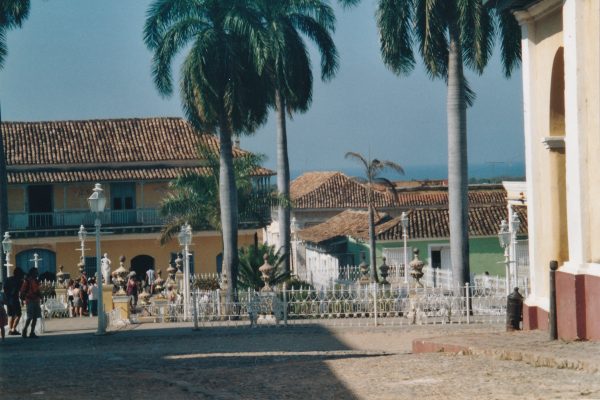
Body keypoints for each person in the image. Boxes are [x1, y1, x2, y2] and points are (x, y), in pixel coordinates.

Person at [20, 268, 42, 338]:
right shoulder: (27, 281)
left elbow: (37, 290)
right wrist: (24, 298)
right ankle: (24, 330)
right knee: (29, 317)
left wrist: (40, 295)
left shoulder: (36, 281)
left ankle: (32, 332)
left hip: (36, 300)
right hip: (30, 300)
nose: (37, 274)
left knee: (35, 317)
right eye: (36, 272)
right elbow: (22, 291)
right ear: (32, 273)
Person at [3, 266, 24, 335]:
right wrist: (22, 299)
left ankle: (10, 330)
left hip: (8, 299)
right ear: (18, 274)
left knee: (11, 315)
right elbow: (21, 291)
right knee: (18, 314)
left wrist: (7, 296)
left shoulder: (8, 279)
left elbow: (4, 288)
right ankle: (13, 329)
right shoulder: (19, 281)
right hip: (15, 299)